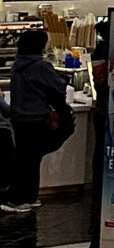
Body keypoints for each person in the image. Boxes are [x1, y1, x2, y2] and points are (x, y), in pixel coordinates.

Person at [5, 26, 71, 210]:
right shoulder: (41, 66)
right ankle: (25, 197)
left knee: (25, 159)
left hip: (19, 119)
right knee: (32, 160)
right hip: (36, 119)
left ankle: (22, 197)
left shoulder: (18, 65)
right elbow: (58, 85)